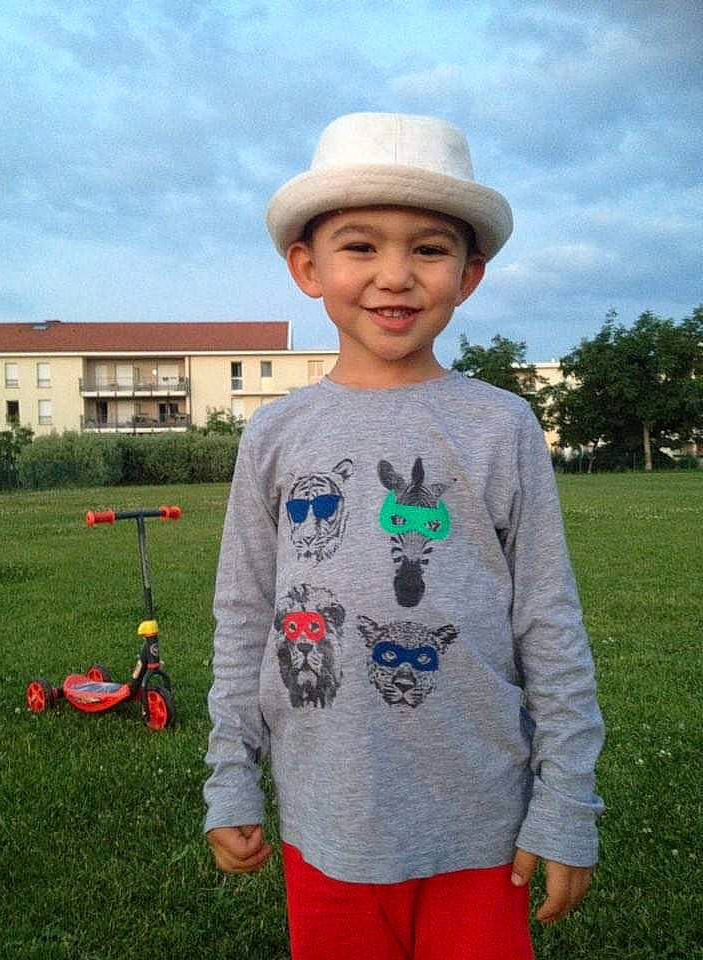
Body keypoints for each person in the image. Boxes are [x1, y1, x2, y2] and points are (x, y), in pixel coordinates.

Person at [204, 112, 604, 960]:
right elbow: (244, 619)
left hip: (482, 820)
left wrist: (566, 802)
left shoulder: (503, 428)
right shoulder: (272, 437)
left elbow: (549, 621)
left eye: (428, 248)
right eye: (360, 247)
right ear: (306, 267)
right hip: (330, 817)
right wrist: (231, 776)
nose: (395, 276)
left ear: (470, 275)